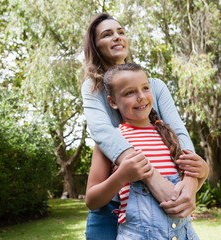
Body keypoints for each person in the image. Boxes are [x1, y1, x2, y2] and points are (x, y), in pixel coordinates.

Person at [81, 13, 209, 239]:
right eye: (107, 34)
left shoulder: (155, 86)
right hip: (114, 208)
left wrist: (192, 180)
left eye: (121, 32)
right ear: (95, 45)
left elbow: (177, 133)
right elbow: (103, 133)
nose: (117, 37)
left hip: (166, 215)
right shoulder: (93, 88)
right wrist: (150, 176)